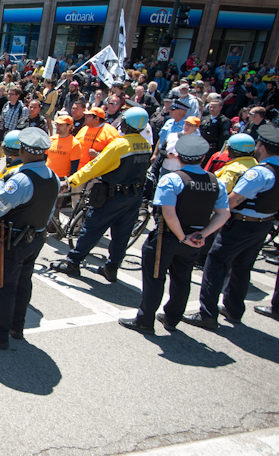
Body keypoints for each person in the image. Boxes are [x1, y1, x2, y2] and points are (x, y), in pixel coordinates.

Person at [119, 135, 230, 334]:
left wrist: (181, 236)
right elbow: (223, 214)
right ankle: (172, 317)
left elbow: (168, 213)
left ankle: (145, 320)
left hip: (168, 236)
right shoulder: (215, 182)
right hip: (194, 239)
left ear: (178, 156)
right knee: (182, 278)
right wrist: (203, 234)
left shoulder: (172, 179)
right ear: (202, 157)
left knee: (155, 278)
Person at [182, 125, 279, 329]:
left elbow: (233, 200)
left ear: (261, 146)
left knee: (216, 264)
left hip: (242, 224)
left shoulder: (260, 173)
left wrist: (211, 220)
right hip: (263, 224)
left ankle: (207, 314)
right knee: (242, 267)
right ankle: (234, 309)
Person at [0, 127, 59, 349]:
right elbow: (49, 211)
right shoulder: (53, 177)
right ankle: (16, 327)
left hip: (13, 240)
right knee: (23, 282)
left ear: (23, 150)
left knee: (3, 285)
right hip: (36, 237)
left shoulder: (19, 180)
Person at [51, 107, 153, 282]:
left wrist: (70, 182)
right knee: (122, 235)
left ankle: (73, 263)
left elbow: (94, 167)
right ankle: (111, 268)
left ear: (126, 123)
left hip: (112, 195)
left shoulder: (120, 145)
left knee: (91, 228)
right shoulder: (145, 145)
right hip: (133, 196)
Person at [46, 115, 82, 179]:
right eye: (57, 124)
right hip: (48, 175)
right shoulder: (51, 139)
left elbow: (74, 166)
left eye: (61, 125)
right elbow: (44, 158)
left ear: (69, 126)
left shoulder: (75, 144)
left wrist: (67, 182)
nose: (57, 127)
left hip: (62, 178)